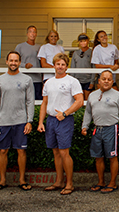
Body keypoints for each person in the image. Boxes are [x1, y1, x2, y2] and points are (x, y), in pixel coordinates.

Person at [37, 53, 84, 195]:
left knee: (64, 153)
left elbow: (79, 101)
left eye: (63, 64)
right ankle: (59, 181)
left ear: (66, 66)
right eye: (58, 64)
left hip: (64, 120)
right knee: (56, 153)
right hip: (51, 120)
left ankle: (69, 184)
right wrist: (40, 122)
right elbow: (44, 103)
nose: (60, 67)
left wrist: (65, 113)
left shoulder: (72, 81)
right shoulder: (48, 83)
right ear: (54, 65)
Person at [0, 51, 35, 192]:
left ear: (19, 62)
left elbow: (30, 101)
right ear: (6, 61)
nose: (13, 63)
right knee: (3, 151)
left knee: (21, 151)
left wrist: (29, 121)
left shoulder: (27, 80)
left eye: (16, 61)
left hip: (21, 121)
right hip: (3, 122)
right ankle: (2, 180)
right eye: (11, 60)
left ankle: (22, 180)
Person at [81, 70, 119, 194]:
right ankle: (101, 182)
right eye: (104, 79)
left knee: (112, 157)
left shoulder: (118, 95)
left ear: (112, 81)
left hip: (111, 129)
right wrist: (85, 126)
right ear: (99, 81)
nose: (106, 81)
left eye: (109, 79)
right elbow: (87, 112)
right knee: (98, 157)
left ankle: (113, 183)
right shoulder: (92, 95)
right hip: (97, 129)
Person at [15, 25, 43, 100]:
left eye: (34, 32)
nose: (32, 34)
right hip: (24, 78)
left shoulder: (39, 47)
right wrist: (25, 65)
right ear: (27, 34)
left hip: (37, 79)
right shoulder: (20, 47)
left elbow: (42, 63)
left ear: (36, 34)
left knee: (37, 100)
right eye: (30, 32)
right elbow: (15, 61)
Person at [71, 34, 94, 99]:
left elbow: (94, 67)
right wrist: (72, 81)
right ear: (78, 42)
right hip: (77, 80)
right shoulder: (75, 53)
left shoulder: (91, 52)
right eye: (81, 41)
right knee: (79, 99)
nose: (83, 43)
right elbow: (73, 67)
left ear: (88, 41)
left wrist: (92, 81)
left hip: (88, 79)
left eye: (85, 41)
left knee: (87, 99)